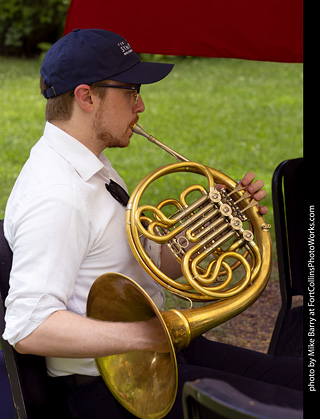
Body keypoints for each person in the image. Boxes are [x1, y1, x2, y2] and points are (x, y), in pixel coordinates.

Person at [3, 29, 302, 418]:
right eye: (131, 91)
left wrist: (221, 220)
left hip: (156, 358)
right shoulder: (57, 194)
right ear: (87, 97)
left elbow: (153, 264)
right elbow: (29, 327)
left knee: (300, 378)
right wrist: (150, 333)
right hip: (112, 391)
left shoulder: (94, 169)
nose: (140, 105)